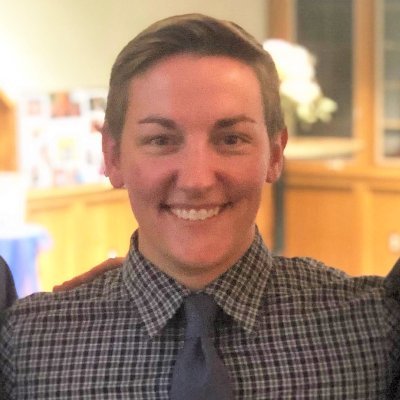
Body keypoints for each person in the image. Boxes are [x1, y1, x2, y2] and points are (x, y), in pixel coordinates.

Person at [1, 13, 400, 399]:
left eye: (231, 139)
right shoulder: (27, 348)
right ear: (113, 156)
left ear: (275, 154)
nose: (197, 180)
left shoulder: (373, 332)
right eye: (161, 140)